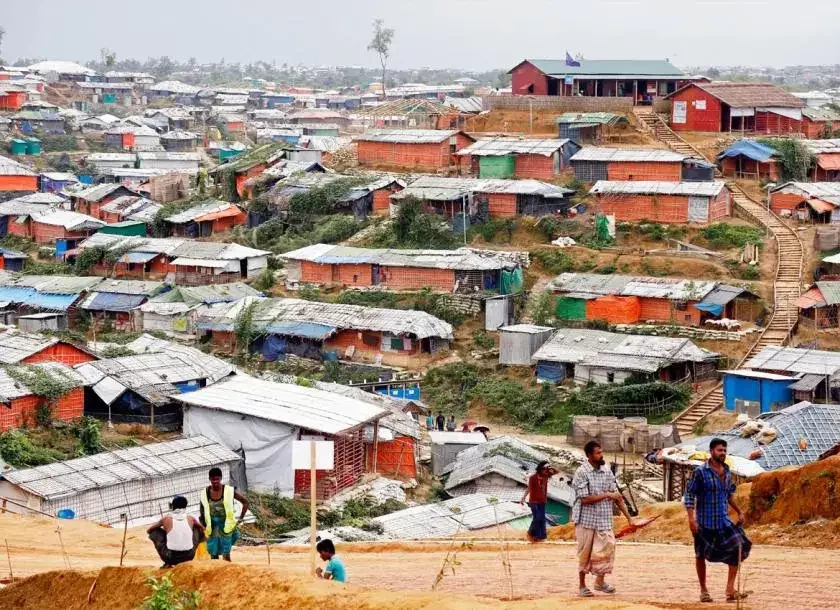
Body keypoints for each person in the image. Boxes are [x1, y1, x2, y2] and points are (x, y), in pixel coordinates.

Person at [684, 438, 751, 604]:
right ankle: (704, 591)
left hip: (723, 521)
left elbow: (728, 495)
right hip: (704, 522)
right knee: (700, 555)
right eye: (720, 450)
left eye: (724, 451)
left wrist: (739, 511)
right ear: (712, 451)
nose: (723, 453)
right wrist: (691, 520)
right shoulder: (700, 472)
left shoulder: (727, 471)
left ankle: (730, 589)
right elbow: (690, 496)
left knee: (739, 547)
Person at [572, 440, 635, 598]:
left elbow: (617, 497)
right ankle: (582, 585)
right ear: (589, 455)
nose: (601, 455)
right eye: (598, 453)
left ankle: (600, 582)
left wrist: (630, 519)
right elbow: (584, 498)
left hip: (604, 520)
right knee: (585, 554)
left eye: (601, 452)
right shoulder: (581, 472)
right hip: (586, 521)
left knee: (607, 550)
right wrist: (607, 495)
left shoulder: (606, 470)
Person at [199, 467, 250, 561]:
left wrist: (241, 518)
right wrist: (203, 524)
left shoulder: (229, 491)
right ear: (209, 479)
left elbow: (245, 502)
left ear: (221, 478)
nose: (215, 481)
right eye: (213, 479)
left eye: (217, 479)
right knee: (213, 552)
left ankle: (227, 571)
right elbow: (202, 510)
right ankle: (217, 572)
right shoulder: (205, 493)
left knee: (226, 552)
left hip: (226, 525)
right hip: (212, 526)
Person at [147, 495, 203, 568]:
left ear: (172, 506)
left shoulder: (166, 518)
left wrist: (166, 530)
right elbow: (202, 528)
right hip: (189, 556)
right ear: (185, 506)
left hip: (170, 558)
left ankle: (167, 563)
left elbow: (149, 530)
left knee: (154, 532)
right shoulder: (191, 518)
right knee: (197, 528)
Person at [520, 460, 554, 543]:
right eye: (544, 469)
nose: (545, 471)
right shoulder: (533, 477)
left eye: (546, 469)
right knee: (537, 518)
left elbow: (557, 471)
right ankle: (530, 534)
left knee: (542, 519)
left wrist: (550, 467)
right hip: (534, 501)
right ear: (540, 468)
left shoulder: (545, 476)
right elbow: (529, 488)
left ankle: (540, 537)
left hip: (542, 501)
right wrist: (523, 498)